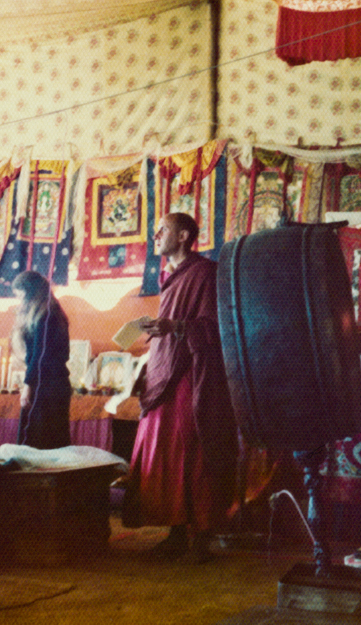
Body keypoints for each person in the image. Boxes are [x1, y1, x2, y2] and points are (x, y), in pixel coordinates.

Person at [128, 212, 238, 562]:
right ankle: (174, 532)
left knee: (191, 453)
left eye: (163, 229)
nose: (156, 234)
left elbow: (215, 328)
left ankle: (199, 538)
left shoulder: (205, 272)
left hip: (192, 377)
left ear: (184, 235)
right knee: (162, 453)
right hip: (164, 374)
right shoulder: (169, 277)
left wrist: (174, 327)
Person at [10, 270, 72, 450]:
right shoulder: (51, 311)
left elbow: (40, 354)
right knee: (48, 441)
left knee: (38, 442)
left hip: (47, 386)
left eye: (20, 295)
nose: (19, 300)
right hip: (51, 384)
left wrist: (28, 386)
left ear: (30, 292)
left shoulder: (47, 315)